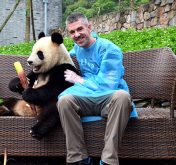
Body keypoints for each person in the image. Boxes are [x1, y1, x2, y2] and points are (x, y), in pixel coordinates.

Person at [57, 13, 137, 165]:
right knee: (65, 100)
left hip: (109, 99)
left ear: (89, 27)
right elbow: (64, 56)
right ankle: (79, 159)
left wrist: (79, 80)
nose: (76, 35)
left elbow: (107, 85)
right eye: (72, 32)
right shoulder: (77, 48)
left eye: (80, 29)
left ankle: (108, 160)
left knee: (122, 96)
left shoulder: (110, 49)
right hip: (87, 98)